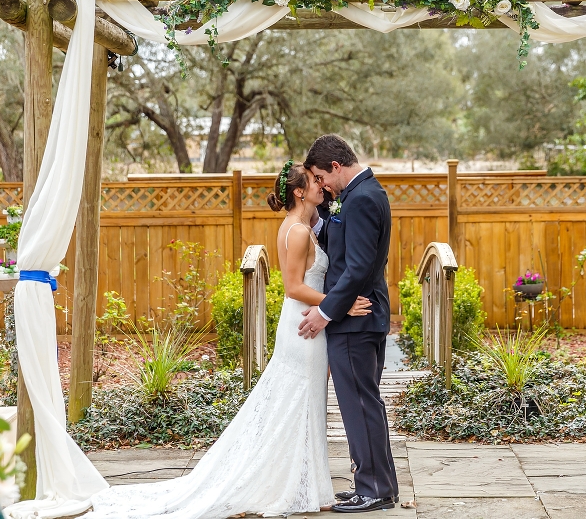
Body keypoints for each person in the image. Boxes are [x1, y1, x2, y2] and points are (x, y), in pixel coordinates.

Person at [86, 161, 372, 519]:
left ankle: (309, 485)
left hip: (304, 325)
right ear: (299, 191)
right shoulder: (297, 233)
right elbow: (294, 288)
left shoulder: (302, 227)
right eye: (315, 181)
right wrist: (339, 306)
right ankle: (298, 486)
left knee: (307, 404)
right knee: (300, 403)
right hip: (303, 326)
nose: (322, 186)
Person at [299, 134, 399, 513]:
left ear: (336, 167)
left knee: (359, 404)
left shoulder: (360, 199)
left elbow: (357, 267)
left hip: (354, 322)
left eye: (323, 178)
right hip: (363, 317)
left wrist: (325, 312)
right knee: (365, 403)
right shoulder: (361, 195)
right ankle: (379, 485)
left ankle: (373, 489)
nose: (322, 186)